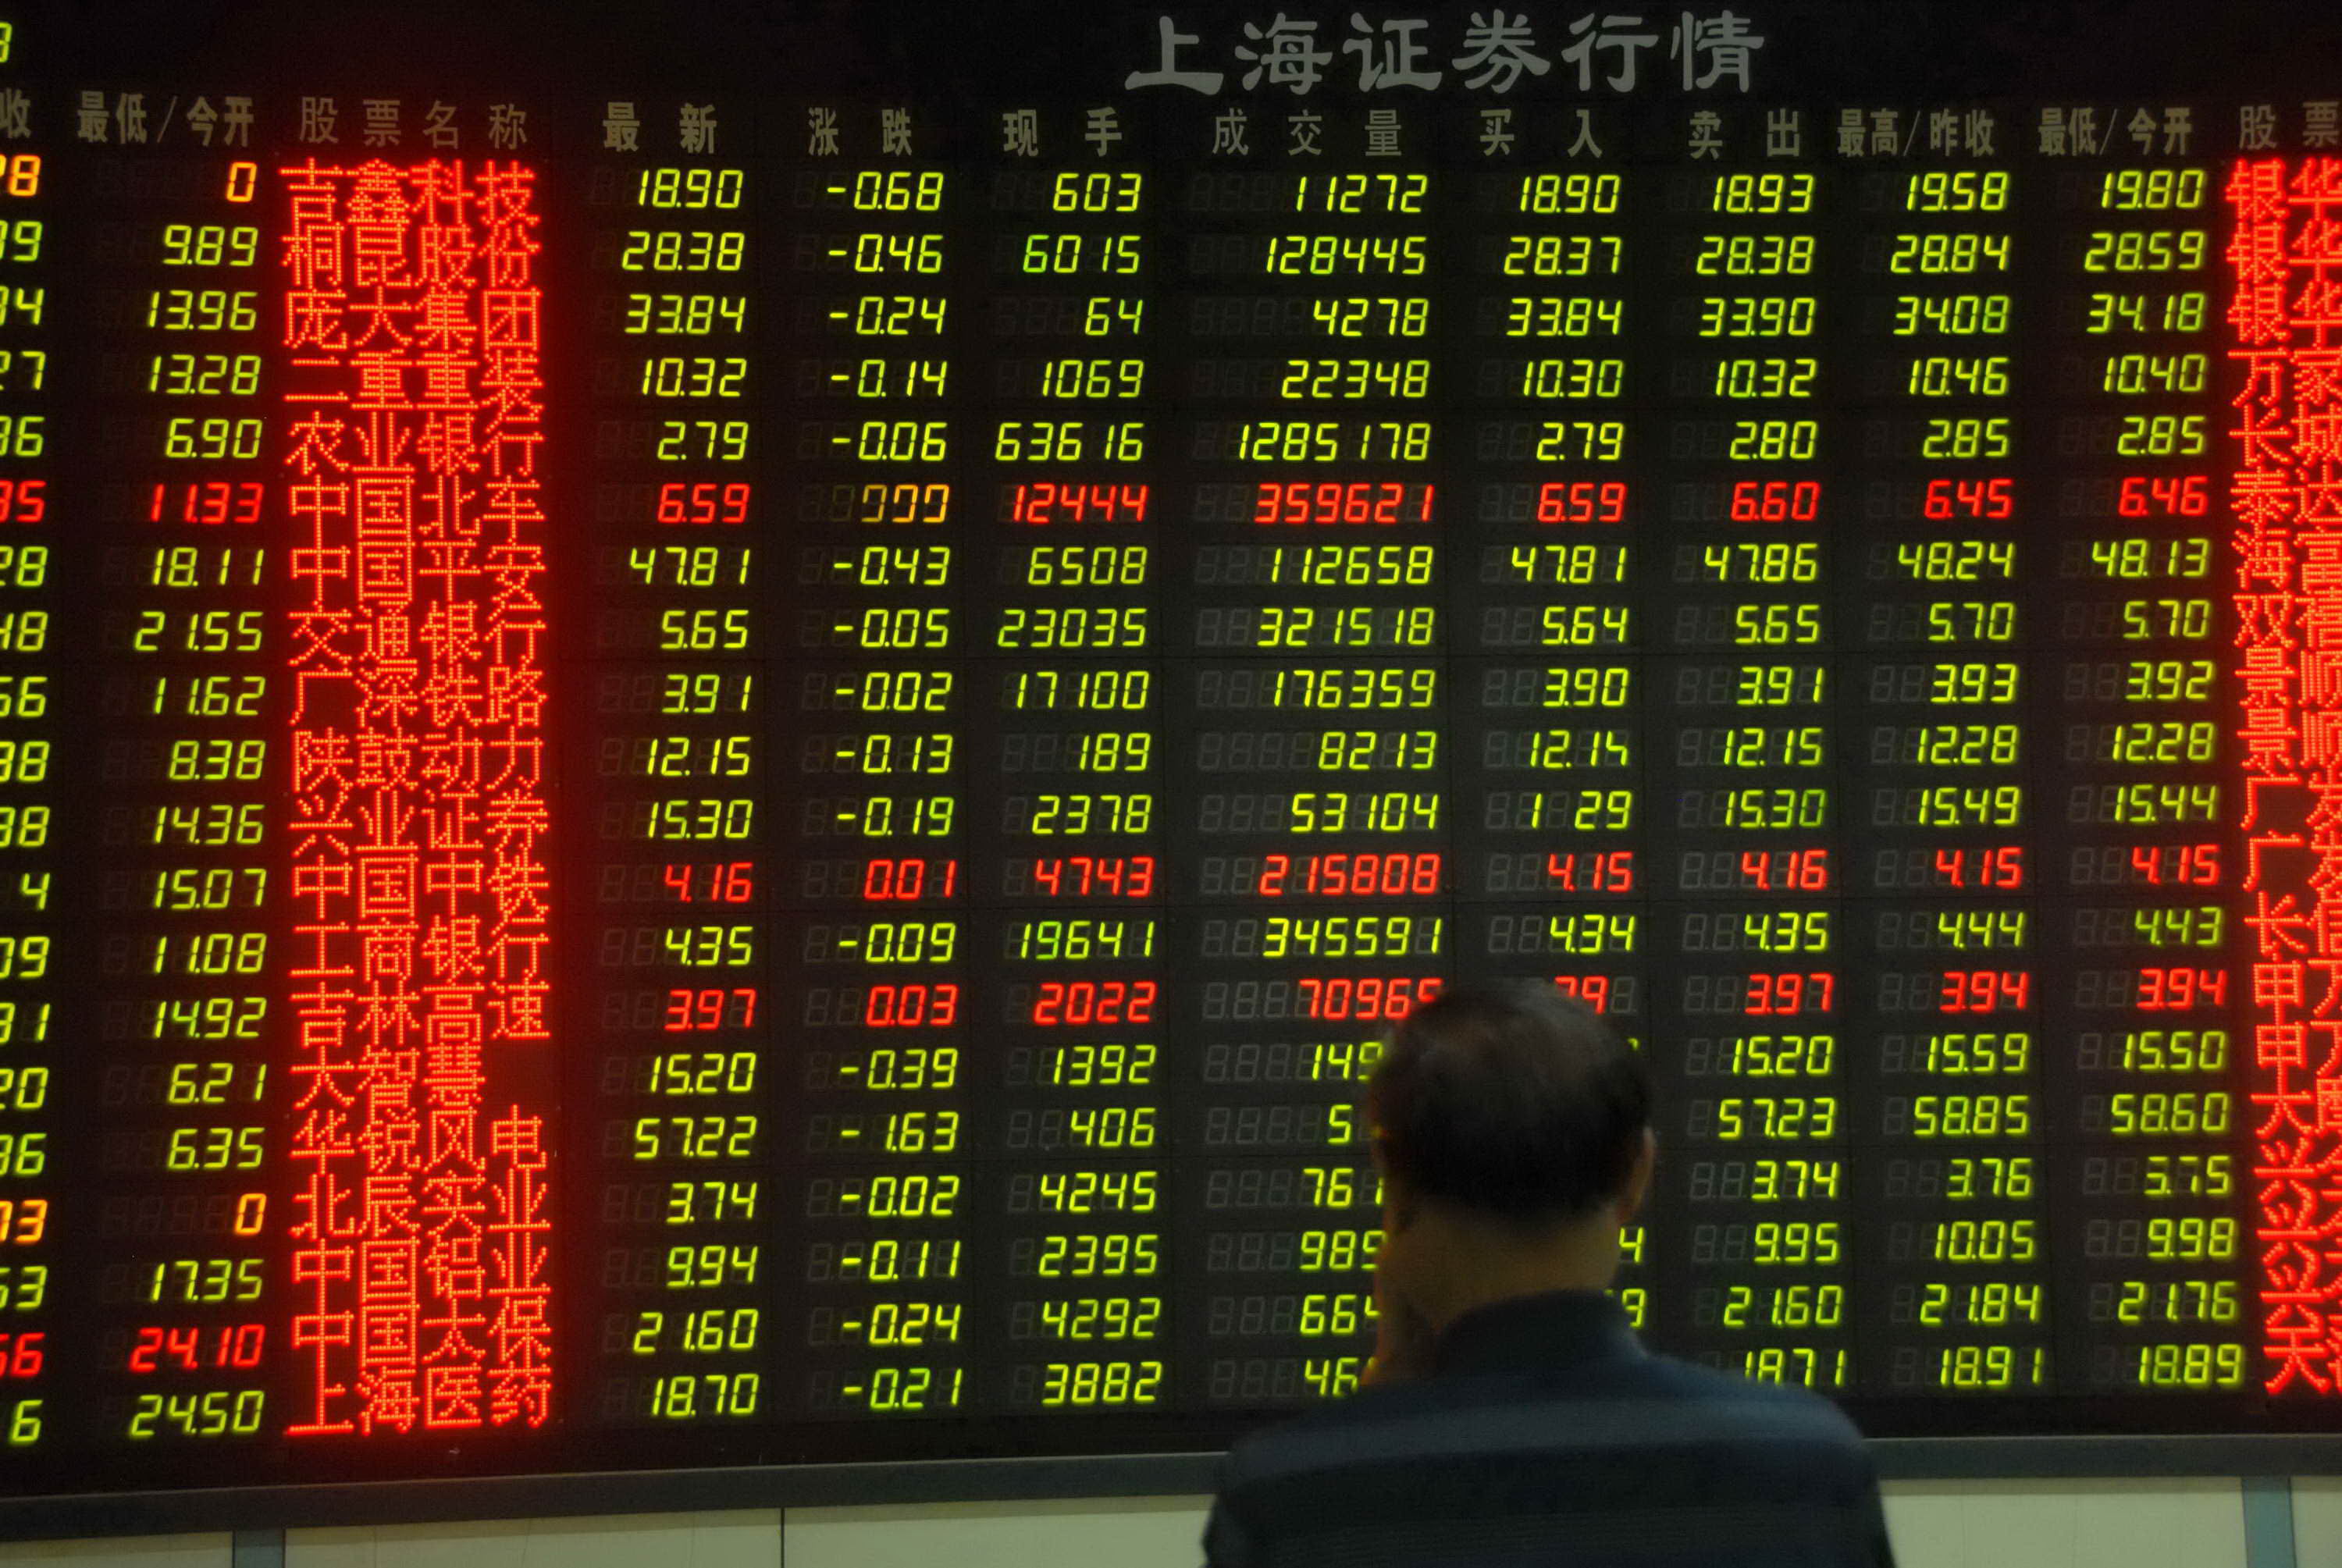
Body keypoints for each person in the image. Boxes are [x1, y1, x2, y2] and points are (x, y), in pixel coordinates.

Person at [1202, 980, 1894, 1568]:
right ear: (1637, 1173)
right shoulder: (1810, 1466)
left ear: (1396, 1186)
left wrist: (1380, 1403)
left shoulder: (1289, 1495)